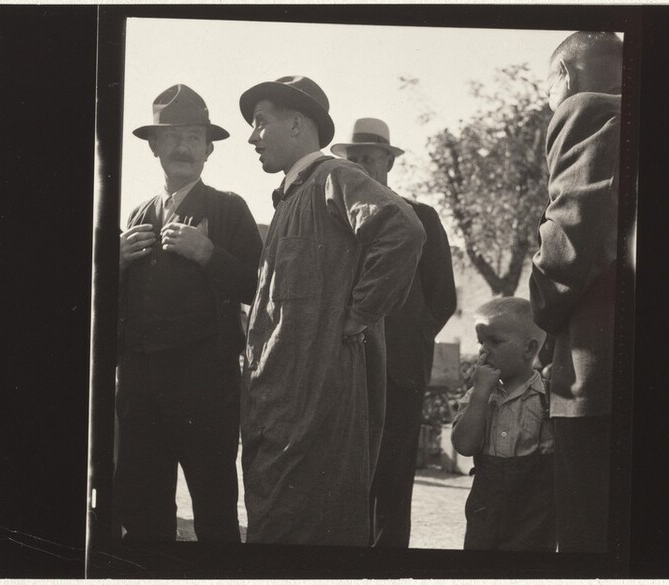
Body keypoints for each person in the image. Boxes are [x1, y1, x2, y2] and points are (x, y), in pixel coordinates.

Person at [238, 76, 426, 546]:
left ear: (298, 124)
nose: (251, 136)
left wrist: (359, 314)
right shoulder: (292, 196)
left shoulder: (332, 178)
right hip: (279, 409)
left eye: (261, 122)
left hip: (318, 408)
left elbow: (403, 230)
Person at [115, 84, 262, 542]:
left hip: (204, 386)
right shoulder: (138, 212)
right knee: (141, 512)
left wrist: (209, 254)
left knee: (215, 511)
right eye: (173, 136)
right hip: (140, 386)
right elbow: (109, 306)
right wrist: (112, 264)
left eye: (194, 137)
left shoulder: (229, 208)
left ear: (209, 150)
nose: (183, 146)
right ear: (154, 146)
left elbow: (261, 289)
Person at [331, 118, 457, 547]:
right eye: (354, 159)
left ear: (389, 161)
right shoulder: (337, 221)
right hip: (344, 369)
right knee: (346, 478)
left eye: (371, 157)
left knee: (393, 479)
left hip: (400, 373)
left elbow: (442, 298)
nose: (362, 166)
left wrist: (411, 341)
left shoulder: (419, 217)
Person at [529, 31, 623, 553]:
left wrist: (541, 304)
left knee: (588, 543)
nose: (549, 100)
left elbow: (571, 235)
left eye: (547, 88)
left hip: (595, 377)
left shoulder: (587, 108)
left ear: (562, 77)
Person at [452, 297, 554, 551]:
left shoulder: (547, 397)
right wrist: (480, 394)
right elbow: (464, 446)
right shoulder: (478, 396)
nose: (484, 352)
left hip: (534, 512)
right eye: (481, 343)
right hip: (485, 506)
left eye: (495, 342)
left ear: (529, 349)